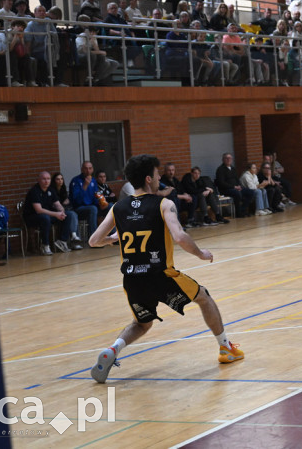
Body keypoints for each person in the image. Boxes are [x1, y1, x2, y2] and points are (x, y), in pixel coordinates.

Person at [87, 154, 244, 383]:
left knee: (141, 324)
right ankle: (225, 348)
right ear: (149, 178)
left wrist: (114, 238)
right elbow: (179, 237)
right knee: (204, 297)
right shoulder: (164, 204)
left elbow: (93, 241)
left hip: (132, 279)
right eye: (158, 174)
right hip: (161, 275)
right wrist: (201, 253)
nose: (160, 177)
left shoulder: (118, 208)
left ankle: (113, 349)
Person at [22, 171, 82, 255]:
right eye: (44, 179)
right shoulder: (34, 191)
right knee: (45, 218)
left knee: (68, 215)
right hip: (32, 217)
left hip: (47, 215)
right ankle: (45, 245)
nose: (46, 181)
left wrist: (62, 211)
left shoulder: (51, 190)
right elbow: (39, 210)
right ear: (38, 180)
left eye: (48, 179)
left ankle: (62, 241)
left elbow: (57, 204)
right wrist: (56, 214)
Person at [70, 160, 101, 239]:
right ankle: (94, 238)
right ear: (82, 169)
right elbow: (76, 200)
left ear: (92, 169)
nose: (88, 170)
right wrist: (85, 186)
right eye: (86, 168)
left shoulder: (93, 180)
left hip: (92, 207)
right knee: (93, 209)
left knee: (110, 207)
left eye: (90, 168)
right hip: (79, 209)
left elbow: (96, 195)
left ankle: (114, 236)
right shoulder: (76, 181)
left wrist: (101, 202)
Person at [215, 152, 250, 217]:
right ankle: (238, 213)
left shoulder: (233, 168)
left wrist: (239, 186)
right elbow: (221, 183)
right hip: (226, 189)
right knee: (237, 194)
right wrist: (234, 187)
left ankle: (243, 210)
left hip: (235, 188)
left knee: (250, 192)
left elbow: (237, 179)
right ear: (223, 159)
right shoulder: (220, 169)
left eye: (230, 158)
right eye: (226, 158)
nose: (228, 159)